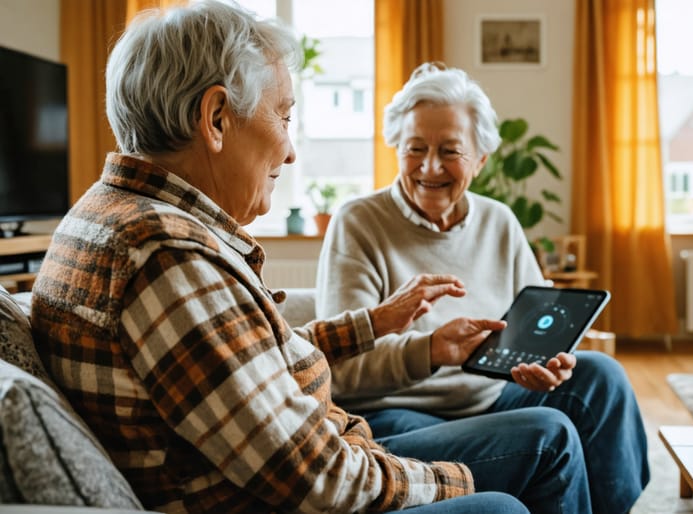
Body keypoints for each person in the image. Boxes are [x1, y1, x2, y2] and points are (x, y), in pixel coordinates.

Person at [28, 2, 590, 513]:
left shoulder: (122, 219)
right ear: (217, 118)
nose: (291, 150)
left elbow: (250, 359)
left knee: (559, 424)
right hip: (289, 487)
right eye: (284, 116)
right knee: (504, 506)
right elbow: (315, 478)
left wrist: (372, 324)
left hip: (310, 456)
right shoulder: (164, 257)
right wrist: (462, 482)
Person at [316, 62, 651, 514]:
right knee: (549, 428)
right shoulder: (358, 222)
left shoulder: (498, 220)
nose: (429, 166)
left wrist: (550, 360)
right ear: (396, 147)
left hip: (491, 396)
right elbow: (342, 368)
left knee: (601, 377)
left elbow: (538, 324)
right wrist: (432, 349)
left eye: (450, 151)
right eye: (415, 148)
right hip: (395, 414)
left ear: (481, 159)